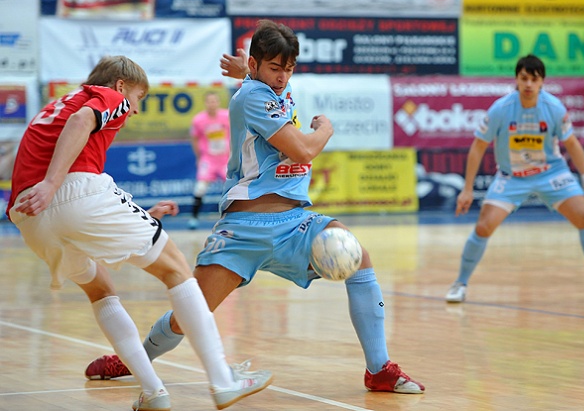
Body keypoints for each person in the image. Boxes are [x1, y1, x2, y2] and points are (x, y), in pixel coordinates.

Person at [85, 20, 425, 395]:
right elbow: (305, 149)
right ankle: (132, 359)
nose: (282, 78)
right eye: (275, 69)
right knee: (189, 316)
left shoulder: (272, 86)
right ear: (257, 67)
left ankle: (378, 369)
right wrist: (325, 128)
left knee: (361, 259)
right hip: (245, 228)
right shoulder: (252, 97)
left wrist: (245, 69)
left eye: (289, 69)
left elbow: (267, 80)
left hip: (296, 222)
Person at [7, 55, 272, 411]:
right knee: (177, 269)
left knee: (100, 290)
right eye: (138, 98)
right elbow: (82, 122)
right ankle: (223, 382)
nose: (134, 111)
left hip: (31, 217)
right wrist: (53, 184)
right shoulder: (108, 96)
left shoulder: (57, 103)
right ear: (121, 86)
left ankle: (153, 393)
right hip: (62, 192)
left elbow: (72, 207)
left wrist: (136, 215)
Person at [445, 54, 584, 303]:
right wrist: (467, 189)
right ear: (516, 79)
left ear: (542, 82)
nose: (528, 85)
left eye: (534, 79)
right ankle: (460, 283)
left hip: (551, 173)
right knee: (483, 226)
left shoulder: (554, 108)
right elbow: (478, 147)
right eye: (524, 78)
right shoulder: (501, 109)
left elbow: (572, 144)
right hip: (512, 177)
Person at [188, 92, 230, 230]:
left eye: (214, 101)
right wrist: (199, 157)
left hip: (225, 158)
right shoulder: (198, 120)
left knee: (231, 187)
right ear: (205, 103)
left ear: (218, 102)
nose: (212, 104)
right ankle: (193, 218)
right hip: (209, 159)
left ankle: (231, 218)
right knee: (200, 188)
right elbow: (194, 138)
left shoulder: (227, 116)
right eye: (209, 101)